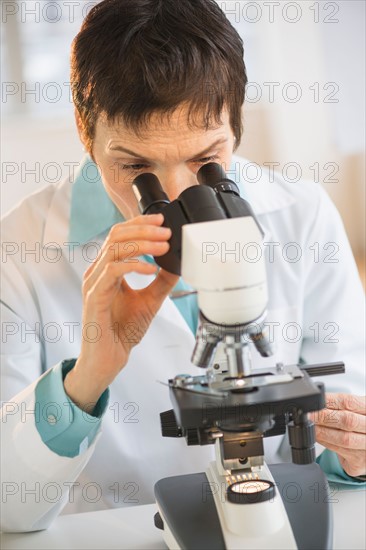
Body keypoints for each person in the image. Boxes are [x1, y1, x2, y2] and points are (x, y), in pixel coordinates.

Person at [1, 0, 365, 534]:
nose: (174, 198)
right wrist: (91, 371)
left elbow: (347, 434)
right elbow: (10, 506)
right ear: (84, 129)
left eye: (205, 161)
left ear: (235, 125)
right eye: (136, 168)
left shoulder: (303, 214)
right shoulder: (18, 251)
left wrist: (354, 449)